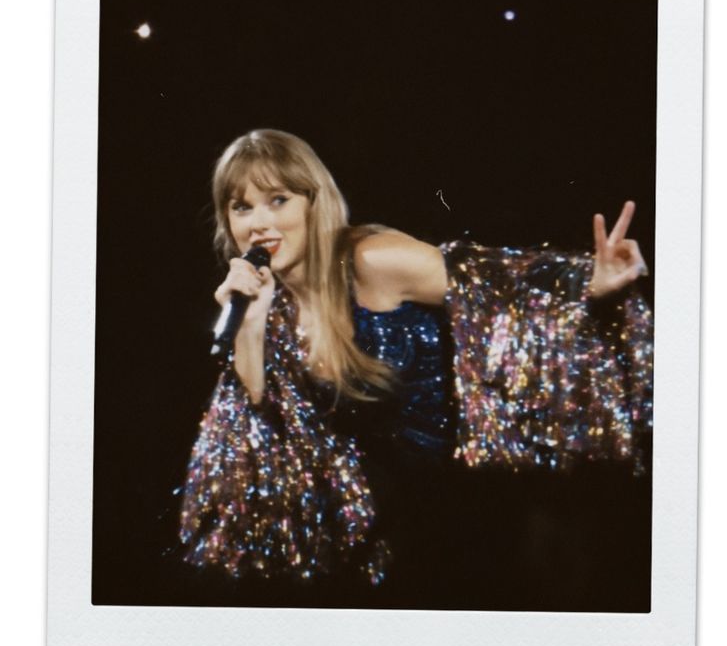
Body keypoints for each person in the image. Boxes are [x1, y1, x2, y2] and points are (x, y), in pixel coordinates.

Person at [179, 128, 653, 602]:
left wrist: (590, 280)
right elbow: (256, 437)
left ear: (311, 203)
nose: (259, 222)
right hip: (387, 533)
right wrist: (252, 321)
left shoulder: (370, 259)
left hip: (472, 509)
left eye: (277, 200)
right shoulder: (269, 306)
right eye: (242, 207)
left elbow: (492, 282)